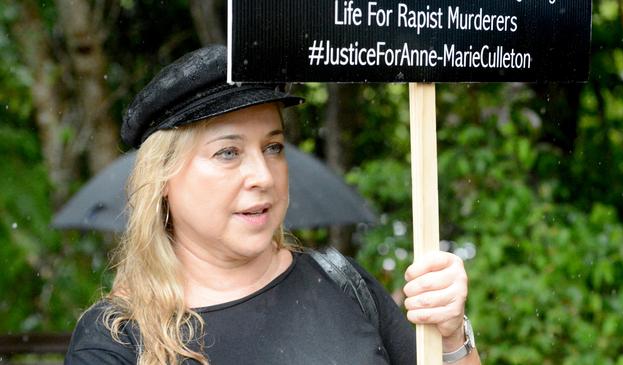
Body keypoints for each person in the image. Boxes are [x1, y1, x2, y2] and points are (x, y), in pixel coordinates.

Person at [65, 44, 481, 365]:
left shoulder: (342, 282)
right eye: (228, 152)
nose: (263, 176)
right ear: (162, 180)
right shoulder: (117, 340)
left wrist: (449, 338)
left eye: (274, 147)